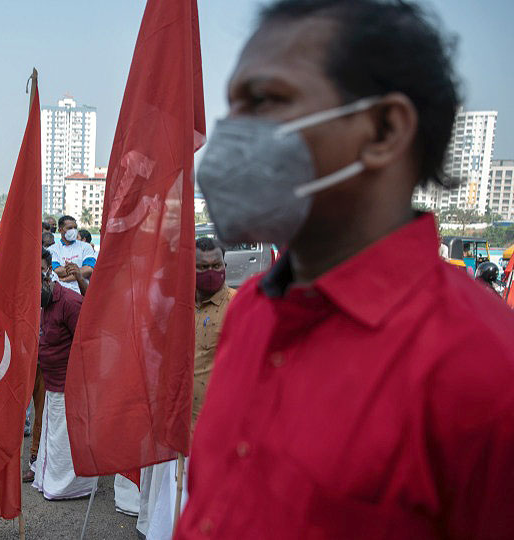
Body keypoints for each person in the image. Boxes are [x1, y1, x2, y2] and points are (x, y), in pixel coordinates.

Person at [180, 0, 514, 537]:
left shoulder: (487, 376)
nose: (229, 139)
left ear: (384, 129)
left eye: (265, 100)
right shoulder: (253, 315)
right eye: (233, 106)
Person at [138, 237, 235, 539]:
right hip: (180, 429)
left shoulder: (239, 306)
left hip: (220, 432)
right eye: (202, 267)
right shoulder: (176, 310)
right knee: (176, 508)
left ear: (225, 266)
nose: (210, 272)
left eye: (216, 265)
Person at [31, 249, 94, 499]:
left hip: (70, 386)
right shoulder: (45, 303)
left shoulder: (70, 302)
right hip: (52, 383)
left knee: (66, 439)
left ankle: (70, 488)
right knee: (54, 436)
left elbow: (86, 342)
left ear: (48, 279)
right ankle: (50, 480)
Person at [47, 216, 95, 294]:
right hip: (61, 295)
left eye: (75, 228)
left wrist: (65, 278)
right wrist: (78, 271)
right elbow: (57, 270)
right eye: (69, 228)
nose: (73, 230)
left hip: (82, 293)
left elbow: (89, 269)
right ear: (60, 230)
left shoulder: (86, 247)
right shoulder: (52, 249)